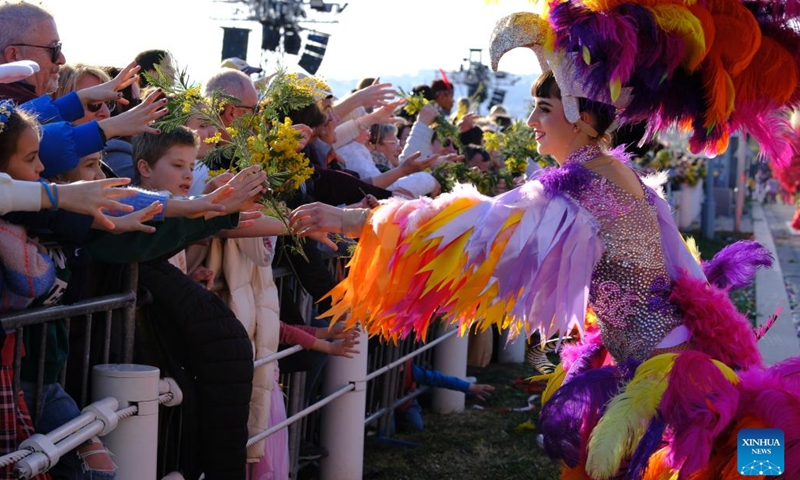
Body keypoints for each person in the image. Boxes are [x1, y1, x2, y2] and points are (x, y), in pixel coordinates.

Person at [290, 2, 800, 478]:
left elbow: (480, 227)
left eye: (543, 110)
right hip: (671, 361)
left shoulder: (581, 184)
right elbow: (685, 277)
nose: (531, 122)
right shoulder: (620, 176)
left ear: (579, 113)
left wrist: (353, 221)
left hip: (663, 381)